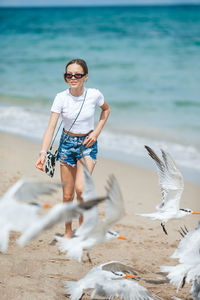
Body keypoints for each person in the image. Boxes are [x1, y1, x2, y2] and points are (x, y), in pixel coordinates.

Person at [35, 58, 110, 238]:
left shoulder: (94, 94)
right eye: (69, 75)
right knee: (67, 196)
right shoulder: (61, 98)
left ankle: (83, 230)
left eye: (78, 75)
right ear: (65, 77)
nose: (73, 77)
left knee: (81, 190)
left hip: (87, 145)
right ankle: (68, 232)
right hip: (66, 144)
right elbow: (51, 127)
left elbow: (106, 110)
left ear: (85, 77)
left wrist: (96, 132)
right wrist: (43, 153)